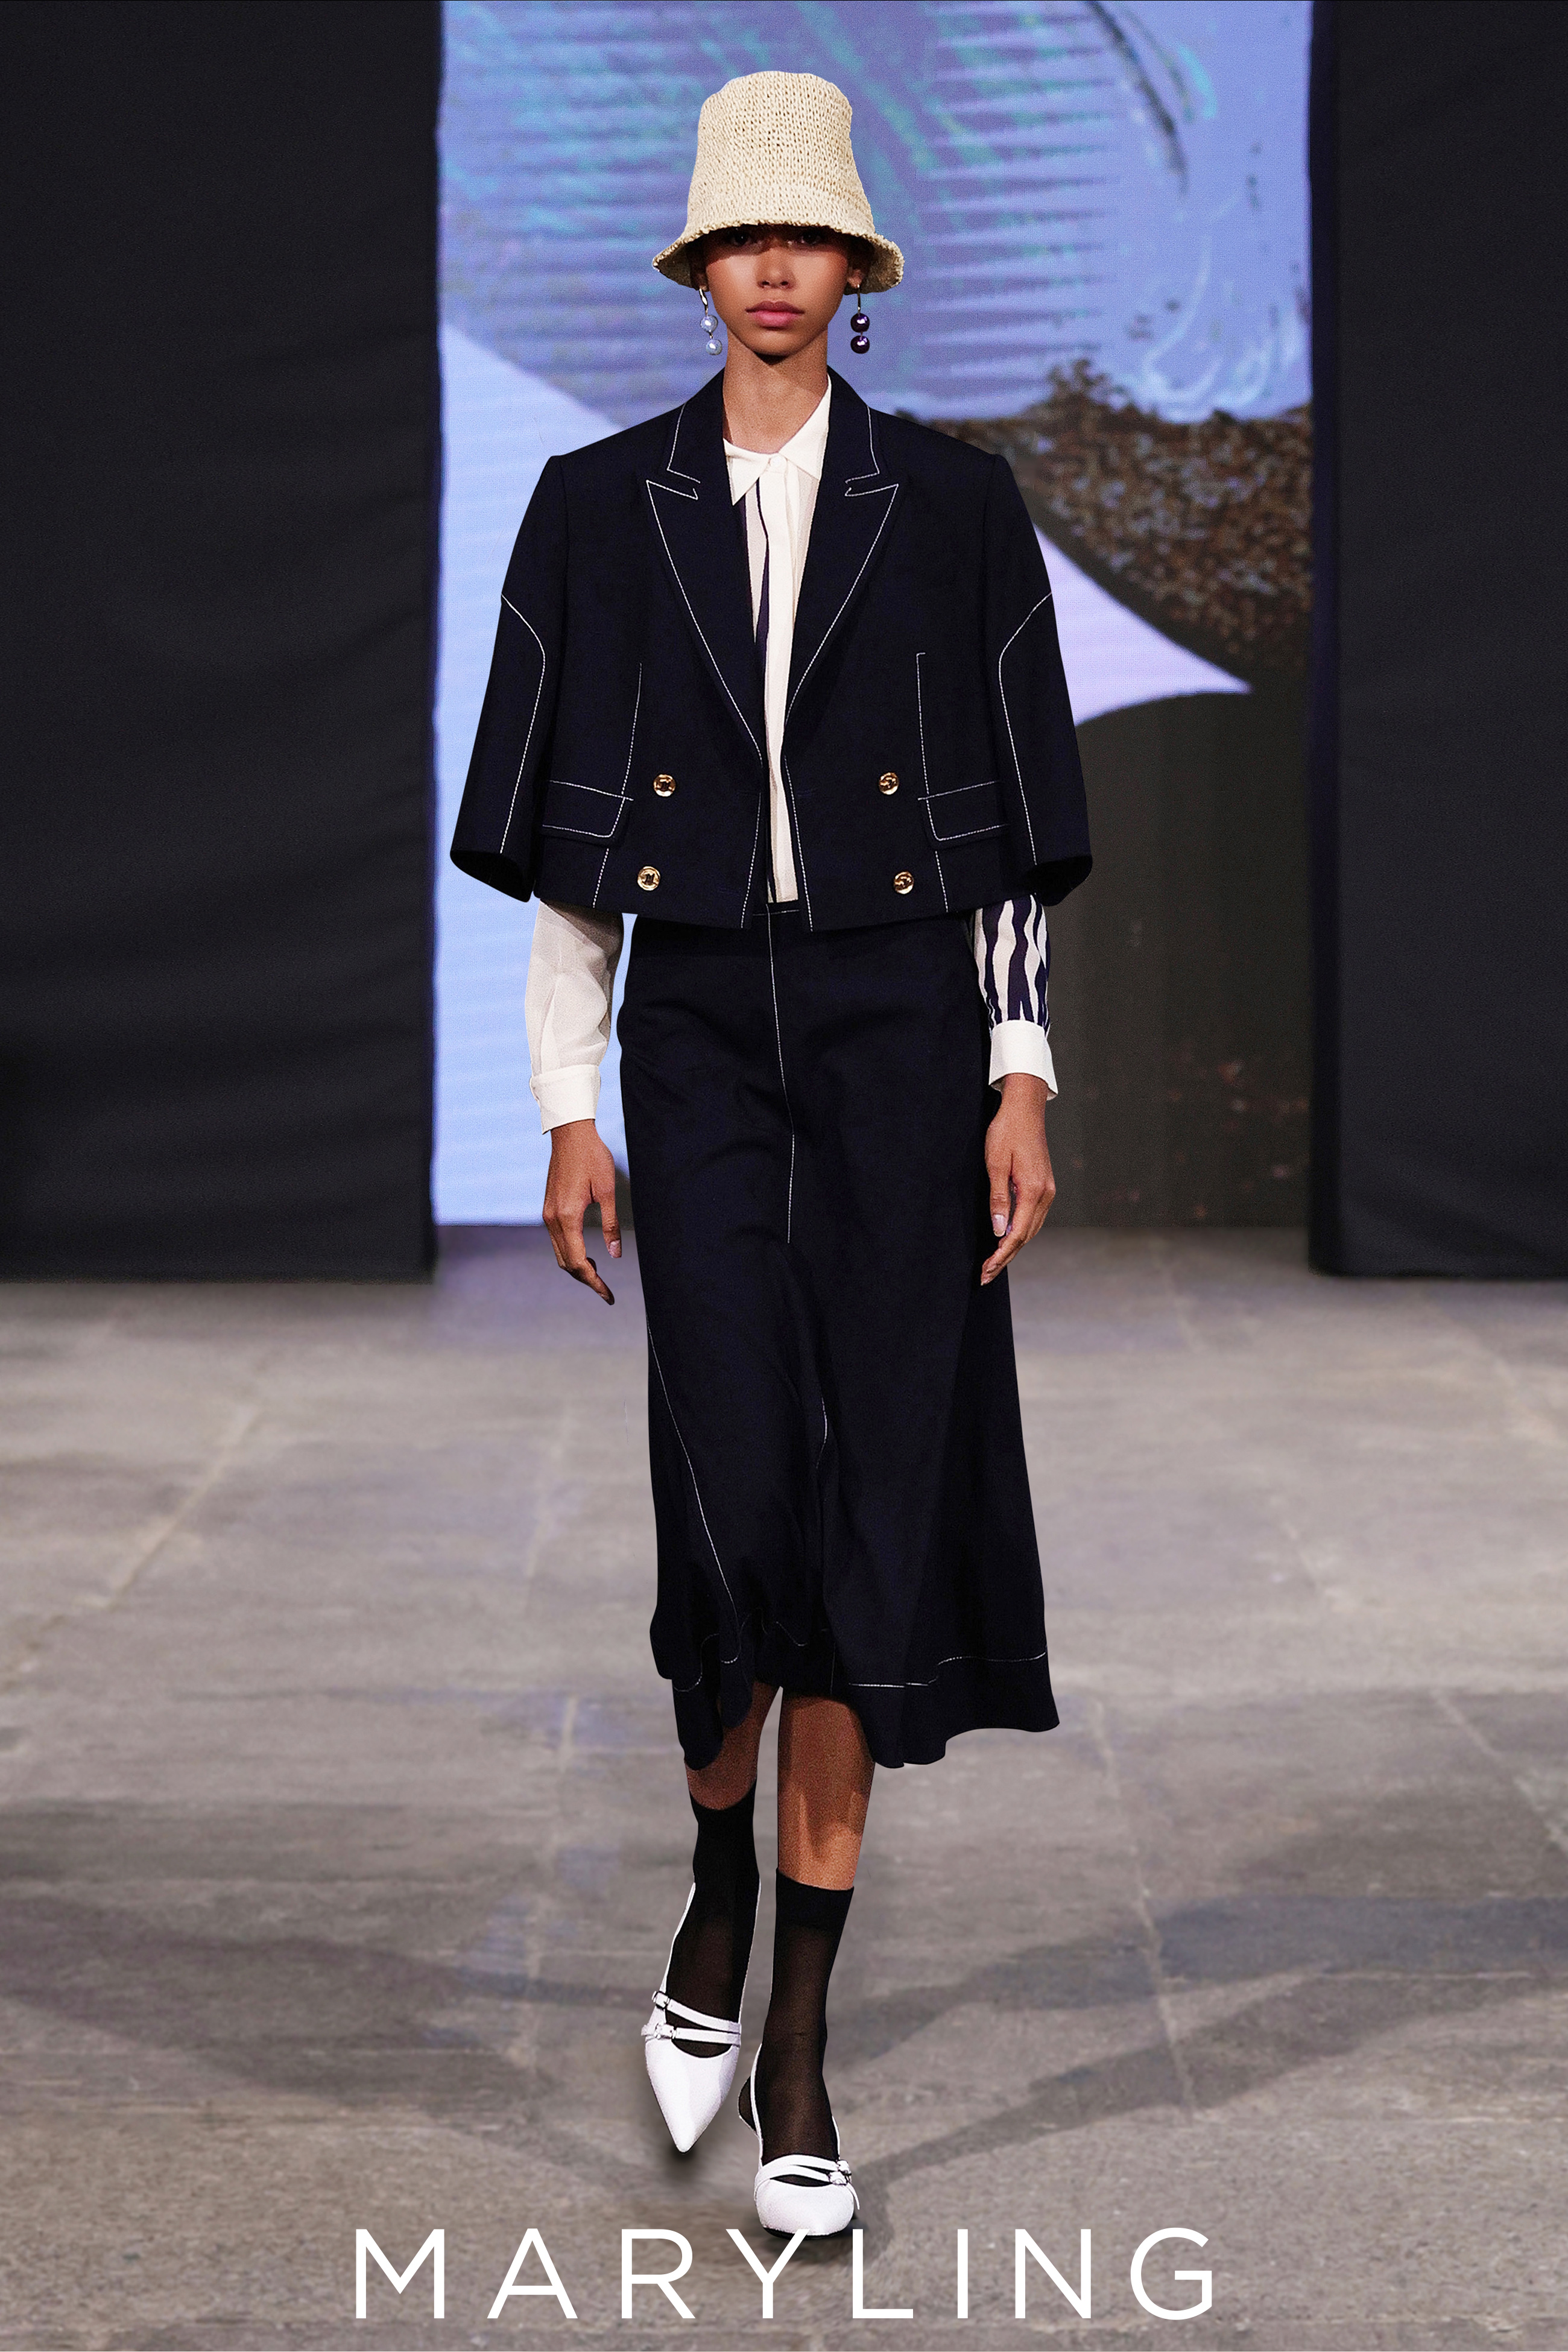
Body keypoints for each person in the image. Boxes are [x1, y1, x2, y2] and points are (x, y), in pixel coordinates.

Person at [452, 69, 1090, 2237]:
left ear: (855, 266)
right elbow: (571, 860)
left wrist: (1022, 1072)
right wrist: (567, 1102)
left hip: (909, 1035)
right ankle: (715, 1879)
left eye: (807, 237)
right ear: (703, 266)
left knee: (871, 1503)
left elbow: (1001, 840)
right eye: (744, 238)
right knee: (728, 1491)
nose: (775, 271)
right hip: (704, 1032)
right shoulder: (597, 505)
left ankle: (798, 2035)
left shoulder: (957, 507)